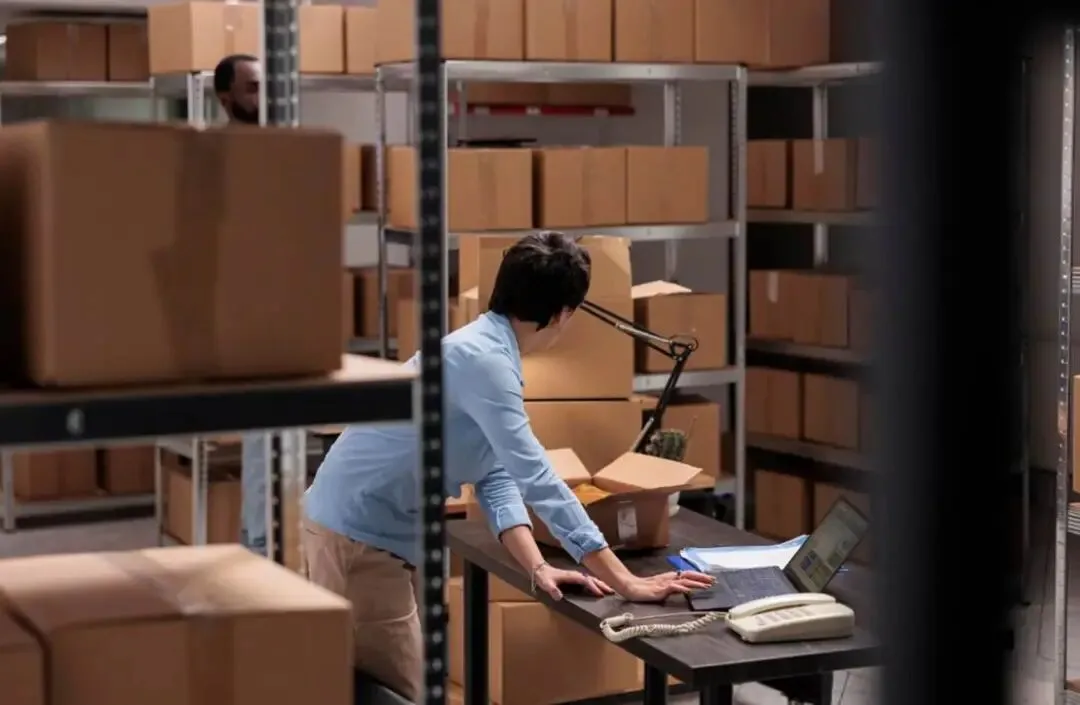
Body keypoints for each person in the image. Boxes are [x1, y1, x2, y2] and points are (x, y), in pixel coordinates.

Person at [302, 231, 714, 700]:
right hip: (359, 537)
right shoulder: (485, 362)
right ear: (562, 314)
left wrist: (538, 566)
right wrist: (624, 580)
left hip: (360, 530)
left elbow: (495, 473)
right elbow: (537, 478)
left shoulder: (483, 349)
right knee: (400, 692)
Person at [214, 54, 267, 553]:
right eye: (252, 88)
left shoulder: (280, 154)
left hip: (278, 313)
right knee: (260, 437)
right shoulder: (212, 158)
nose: (262, 97)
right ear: (224, 97)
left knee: (275, 439)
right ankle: (258, 544)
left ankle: (264, 541)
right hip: (236, 316)